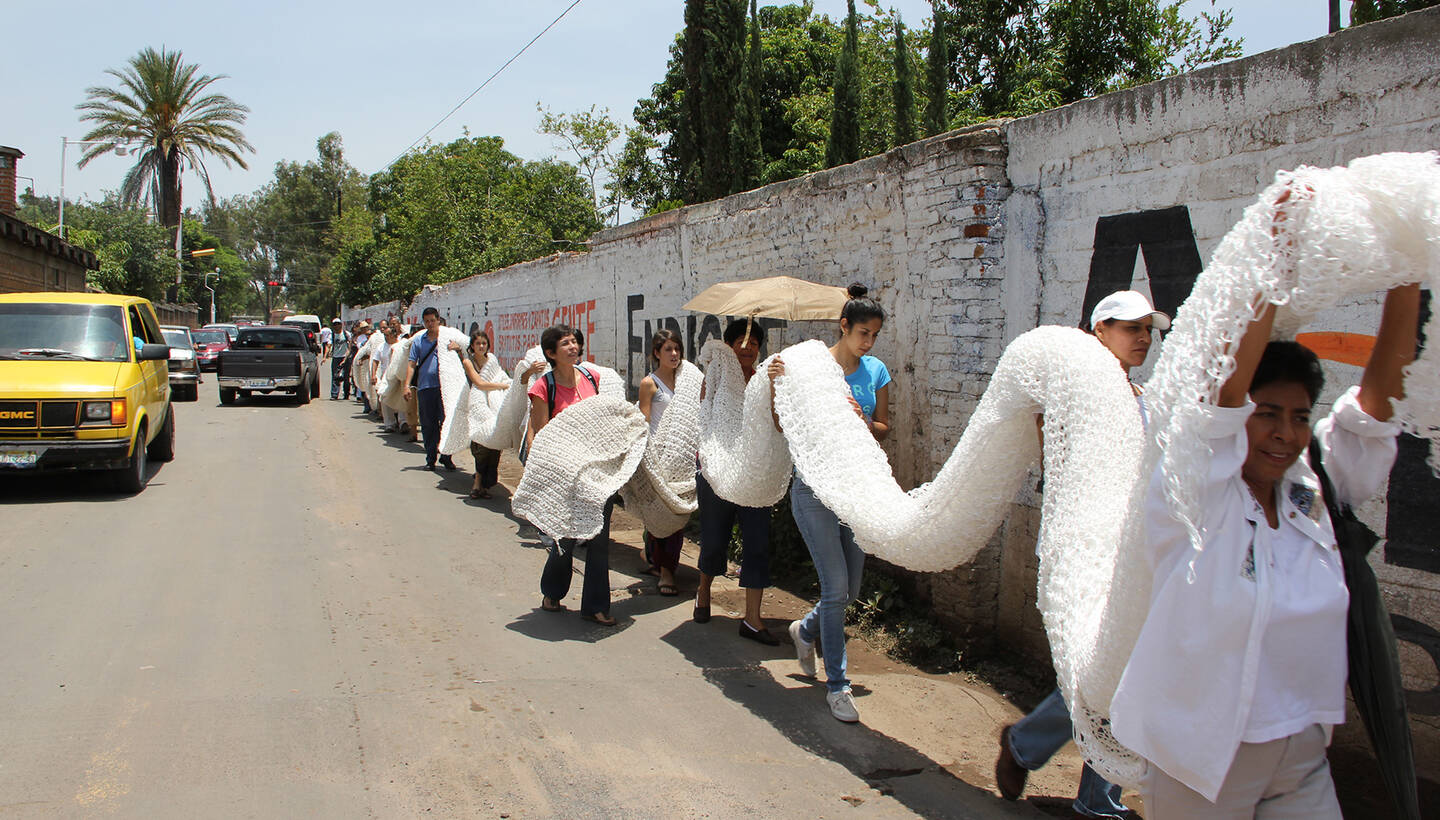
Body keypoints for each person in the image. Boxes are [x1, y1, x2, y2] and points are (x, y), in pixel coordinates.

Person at [1111, 279, 1420, 818]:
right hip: (1199, 763)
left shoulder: (1315, 489)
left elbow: (1378, 404)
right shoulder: (1196, 492)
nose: (1284, 433)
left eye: (1299, 417)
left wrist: (1406, 271)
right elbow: (1223, 400)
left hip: (1301, 755)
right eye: (1267, 413)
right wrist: (1272, 261)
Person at [994, 289, 1170, 820]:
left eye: (1148, 329)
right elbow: (1060, 470)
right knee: (1101, 669)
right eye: (1130, 327)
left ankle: (1039, 752)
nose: (1142, 337)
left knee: (1116, 671)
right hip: (1090, 552)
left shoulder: (1145, 398)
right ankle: (1076, 781)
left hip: (1137, 553)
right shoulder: (1073, 400)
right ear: (1099, 333)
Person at [770, 283, 891, 724]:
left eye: (875, 335)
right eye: (863, 332)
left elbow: (884, 428)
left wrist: (866, 421)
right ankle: (837, 685)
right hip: (814, 490)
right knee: (835, 589)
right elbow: (784, 425)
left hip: (855, 492)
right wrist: (774, 385)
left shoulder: (874, 371)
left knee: (850, 592)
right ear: (844, 326)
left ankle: (804, 630)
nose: (869, 342)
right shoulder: (808, 366)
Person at [694, 319, 781, 644]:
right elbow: (704, 416)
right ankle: (703, 591)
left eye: (754, 344)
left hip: (754, 474)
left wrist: (773, 387)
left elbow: (777, 424)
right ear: (729, 346)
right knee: (714, 539)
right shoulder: (715, 375)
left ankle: (752, 619)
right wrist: (709, 457)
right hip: (716, 471)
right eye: (741, 342)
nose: (747, 348)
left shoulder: (764, 380)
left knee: (757, 543)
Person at [527, 324, 616, 626]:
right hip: (564, 473)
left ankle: (596, 606)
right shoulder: (544, 387)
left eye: (575, 341)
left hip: (596, 472)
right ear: (551, 353)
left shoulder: (593, 378)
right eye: (565, 343)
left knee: (599, 539)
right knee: (565, 538)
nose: (573, 347)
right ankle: (552, 590)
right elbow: (541, 434)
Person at [638, 328, 686, 596]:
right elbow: (644, 420)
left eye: (677, 348)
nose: (674, 354)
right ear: (657, 354)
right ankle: (666, 571)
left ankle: (658, 560)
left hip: (682, 457)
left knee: (677, 515)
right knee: (661, 512)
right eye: (667, 349)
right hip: (657, 456)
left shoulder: (687, 381)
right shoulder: (650, 384)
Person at [450, 329, 525, 499]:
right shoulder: (469, 363)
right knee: (481, 445)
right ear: (473, 346)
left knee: (494, 443)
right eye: (478, 343)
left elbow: (501, 378)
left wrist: (505, 386)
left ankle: (484, 484)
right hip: (476, 406)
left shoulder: (492, 361)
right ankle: (477, 484)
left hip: (494, 407)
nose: (481, 346)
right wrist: (503, 386)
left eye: (484, 343)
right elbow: (480, 384)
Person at [403, 308, 456, 472]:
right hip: (425, 388)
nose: (430, 324)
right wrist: (406, 385)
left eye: (433, 320)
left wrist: (457, 348)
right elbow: (412, 364)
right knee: (428, 424)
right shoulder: (419, 341)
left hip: (445, 388)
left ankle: (446, 456)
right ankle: (430, 458)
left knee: (446, 423)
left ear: (438, 320)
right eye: (427, 321)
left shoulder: (447, 339)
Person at [372, 321, 402, 432]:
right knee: (384, 398)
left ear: (395, 335)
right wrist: (373, 375)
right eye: (385, 335)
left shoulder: (401, 345)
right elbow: (375, 361)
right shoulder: (381, 347)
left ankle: (403, 422)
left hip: (399, 377)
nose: (387, 337)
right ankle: (389, 424)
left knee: (402, 399)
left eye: (389, 335)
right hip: (386, 378)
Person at [329, 319, 351, 400]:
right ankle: (334, 394)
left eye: (338, 324)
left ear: (341, 325)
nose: (336, 326)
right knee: (335, 376)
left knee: (346, 376)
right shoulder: (332, 335)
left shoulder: (346, 334)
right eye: (335, 324)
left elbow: (349, 347)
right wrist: (325, 356)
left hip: (345, 357)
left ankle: (346, 393)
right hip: (336, 357)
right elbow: (329, 345)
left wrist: (345, 358)